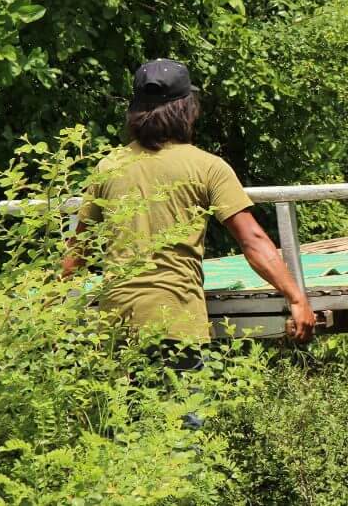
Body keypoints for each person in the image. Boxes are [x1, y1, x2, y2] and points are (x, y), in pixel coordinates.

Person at [63, 58, 315, 359]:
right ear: (186, 109)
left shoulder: (109, 166)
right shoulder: (207, 167)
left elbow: (78, 250)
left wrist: (51, 306)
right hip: (176, 319)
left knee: (125, 406)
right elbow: (253, 240)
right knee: (180, 404)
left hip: (117, 322)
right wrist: (296, 297)